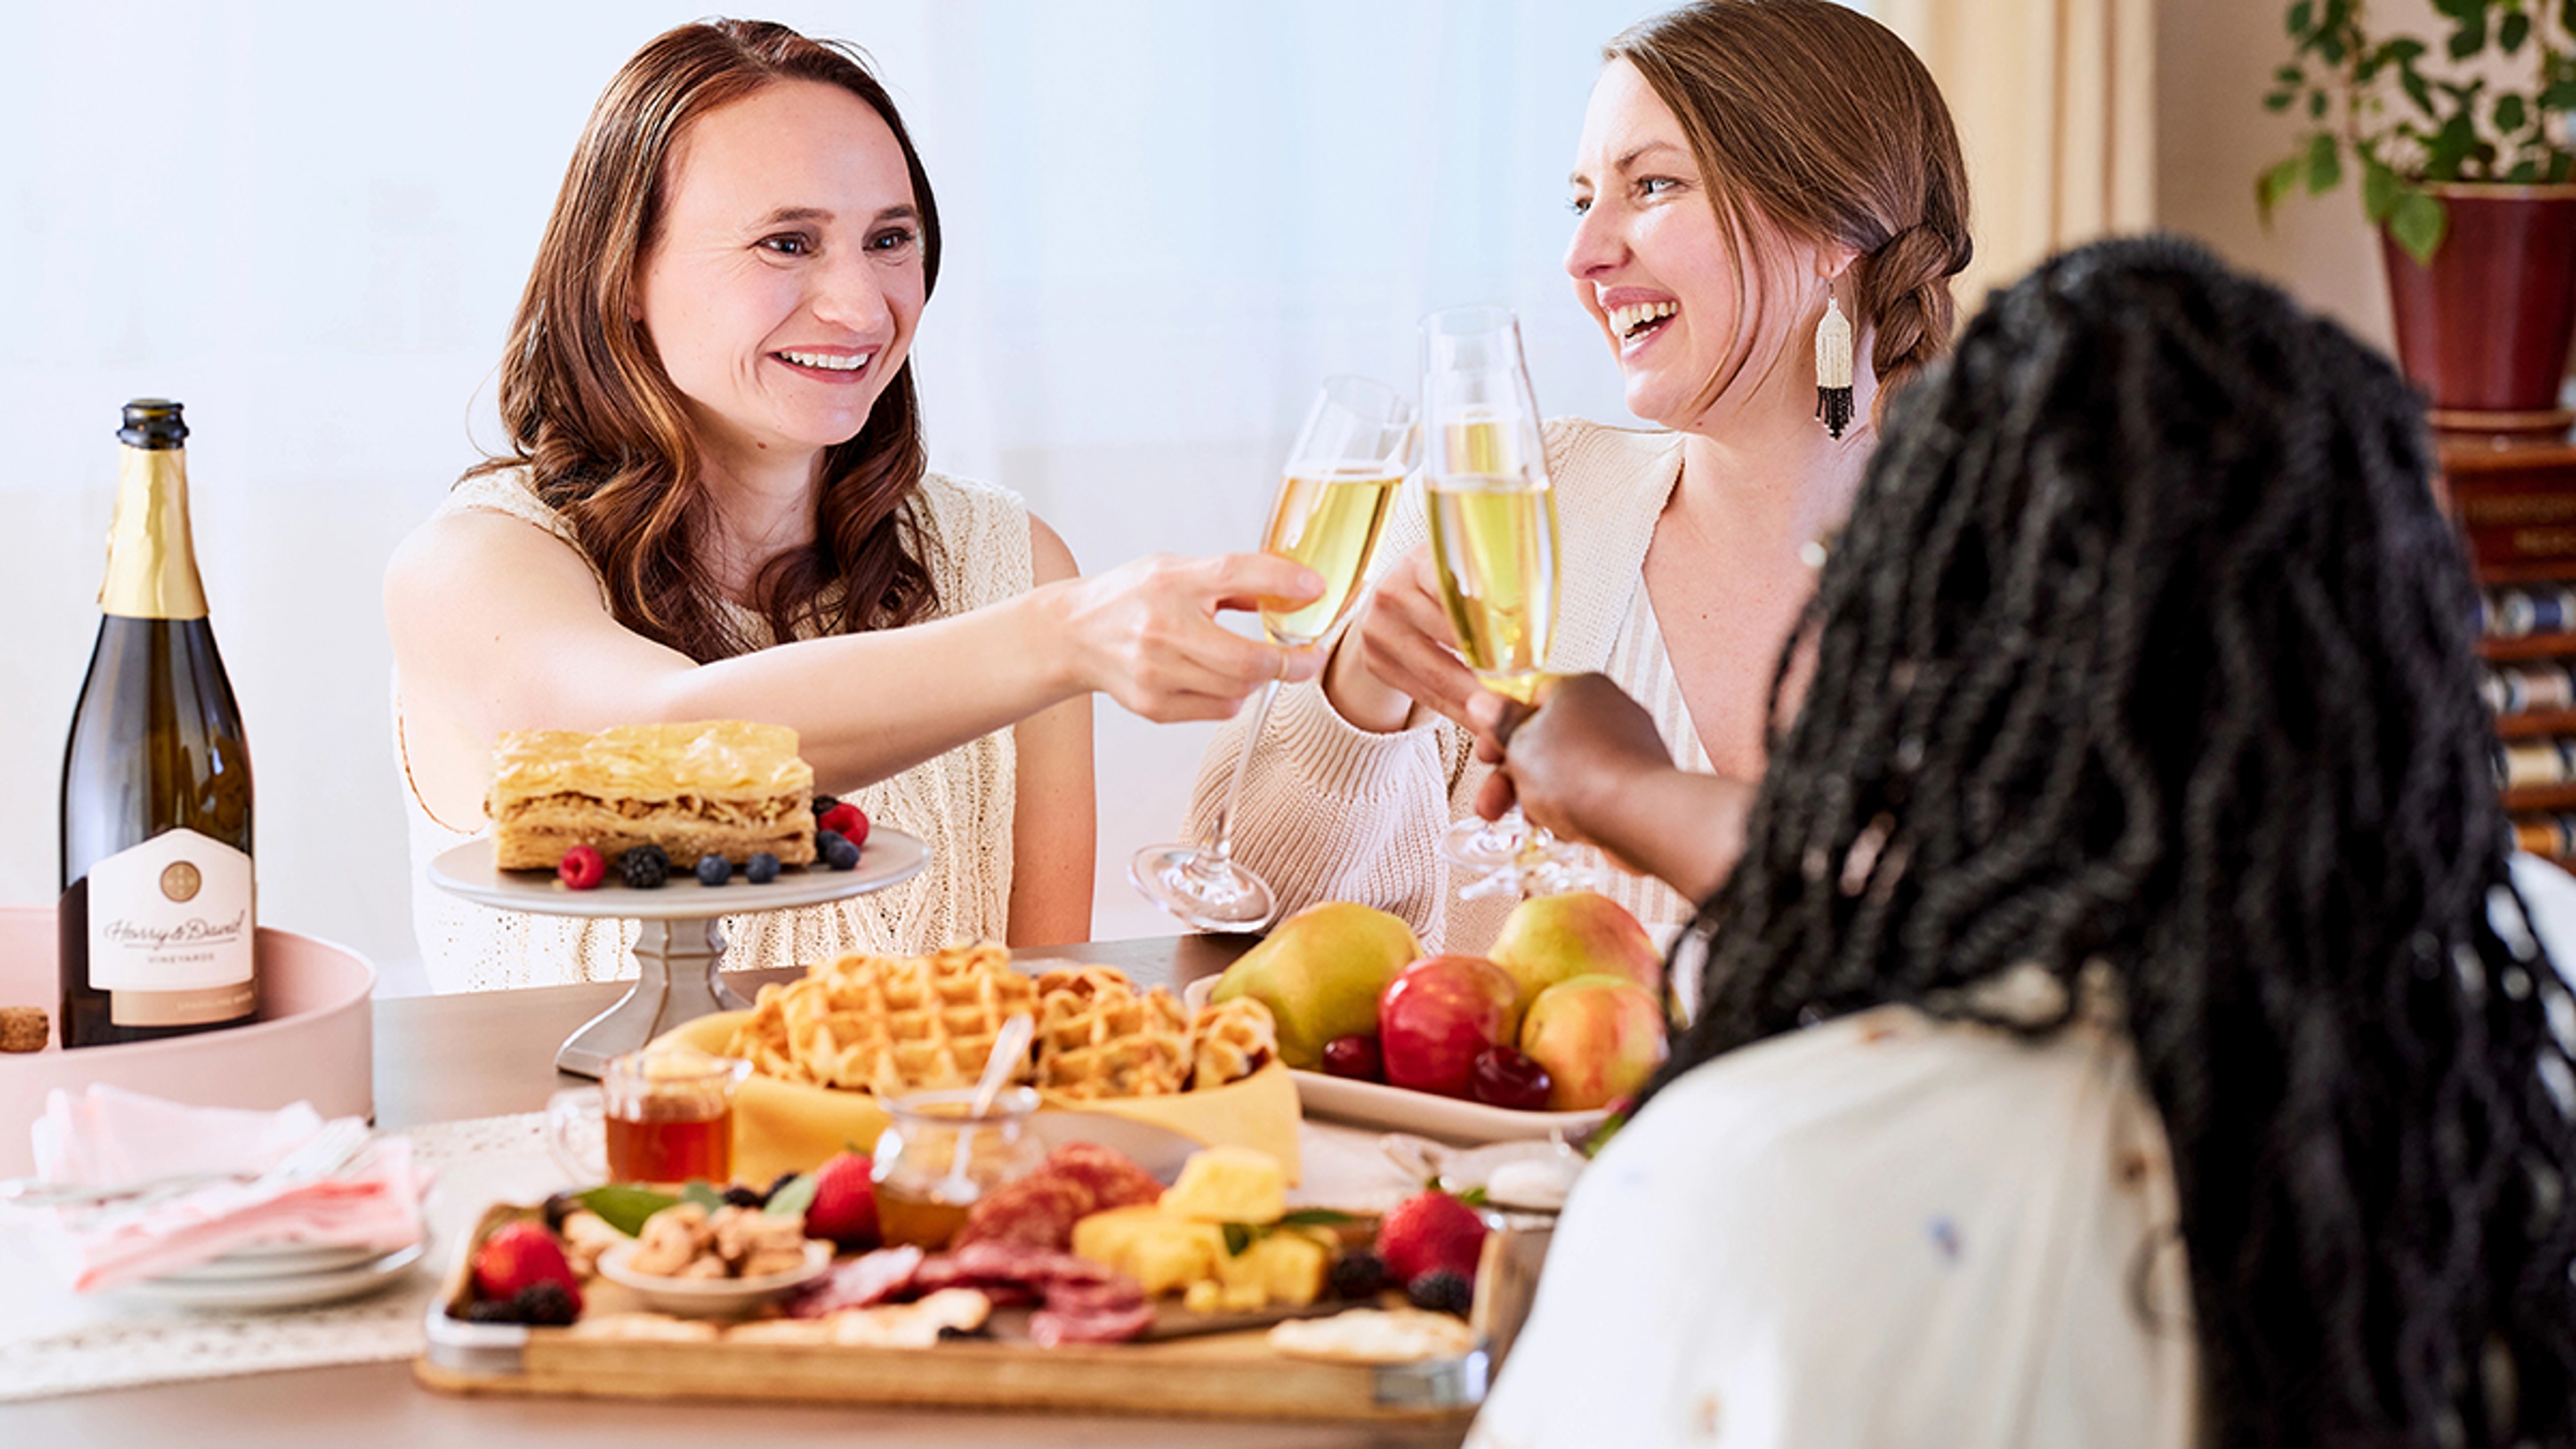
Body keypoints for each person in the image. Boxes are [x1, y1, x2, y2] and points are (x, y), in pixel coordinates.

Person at [1466, 238, 2576, 1446]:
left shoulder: (1760, 1191)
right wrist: (1628, 789)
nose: (1589, 250)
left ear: (1924, 639)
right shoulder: (2531, 1014)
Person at [384, 21, 1322, 992]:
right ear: (623, 274)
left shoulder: (1009, 563)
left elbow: (1030, 1019)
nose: (865, 309)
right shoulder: (473, 570)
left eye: (890, 241)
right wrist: (1061, 639)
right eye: (787, 244)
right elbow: (662, 744)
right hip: (573, 1145)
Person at [1181, 0, 1972, 953]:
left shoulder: (2021, 586)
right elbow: (1250, 917)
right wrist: (1357, 698)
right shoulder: (1522, 499)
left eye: (1652, 186)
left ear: (1836, 231)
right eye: (1581, 198)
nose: (1585, 255)